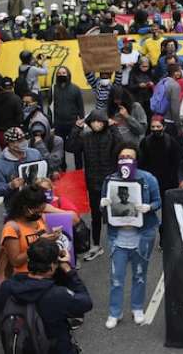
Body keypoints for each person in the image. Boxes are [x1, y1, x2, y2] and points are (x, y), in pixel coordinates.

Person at [99, 144, 161, 329]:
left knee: (140, 275)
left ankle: (137, 308)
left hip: (142, 235)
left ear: (136, 160)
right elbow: (103, 205)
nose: (125, 159)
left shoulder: (148, 179)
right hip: (118, 236)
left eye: (129, 156)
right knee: (116, 278)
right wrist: (103, 204)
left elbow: (158, 201)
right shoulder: (110, 180)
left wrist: (149, 207)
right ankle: (114, 313)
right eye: (122, 156)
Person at [0, 237, 93, 354]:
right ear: (53, 266)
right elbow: (86, 302)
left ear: (29, 261)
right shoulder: (57, 295)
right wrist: (68, 270)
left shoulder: (7, 287)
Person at [66, 110, 122, 262]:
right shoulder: (85, 137)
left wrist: (114, 128)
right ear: (89, 123)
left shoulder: (111, 135)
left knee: (114, 214)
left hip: (110, 181)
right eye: (94, 121)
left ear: (105, 122)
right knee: (95, 216)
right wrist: (76, 128)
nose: (97, 124)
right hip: (92, 182)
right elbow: (70, 147)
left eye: (100, 121)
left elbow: (121, 147)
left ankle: (118, 244)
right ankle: (96, 245)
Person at [0, 186, 55, 279]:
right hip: (23, 280)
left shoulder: (39, 220)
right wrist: (39, 243)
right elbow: (15, 261)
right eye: (37, 211)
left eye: (41, 211)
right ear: (25, 208)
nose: (40, 214)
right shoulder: (11, 228)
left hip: (43, 277)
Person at [0, 127, 43, 211]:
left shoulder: (35, 154)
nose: (24, 142)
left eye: (24, 138)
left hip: (37, 205)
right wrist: (10, 186)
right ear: (11, 144)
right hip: (15, 209)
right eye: (20, 140)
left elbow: (44, 171)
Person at [52, 67, 84, 169]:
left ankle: (79, 168)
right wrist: (51, 124)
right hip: (58, 124)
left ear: (68, 74)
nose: (62, 75)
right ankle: (62, 168)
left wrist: (81, 121)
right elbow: (50, 107)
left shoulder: (75, 88)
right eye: (59, 73)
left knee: (77, 148)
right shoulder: (52, 89)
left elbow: (81, 107)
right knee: (60, 147)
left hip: (73, 124)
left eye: (64, 72)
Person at [0, 78, 23, 150]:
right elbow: (19, 117)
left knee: (5, 152)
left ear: (1, 87)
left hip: (1, 131)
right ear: (13, 86)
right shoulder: (16, 99)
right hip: (13, 132)